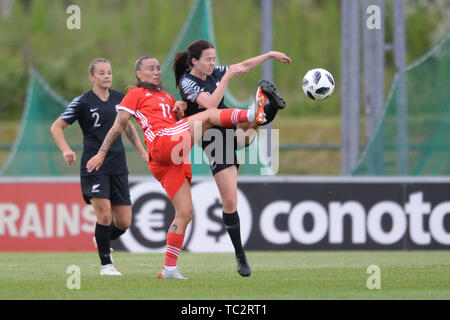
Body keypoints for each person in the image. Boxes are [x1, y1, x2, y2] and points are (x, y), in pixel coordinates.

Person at [86, 56, 266, 279]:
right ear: (139, 75)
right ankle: (250, 113)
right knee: (209, 114)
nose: (156, 72)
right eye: (150, 69)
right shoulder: (135, 94)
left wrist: (180, 107)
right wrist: (102, 152)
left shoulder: (168, 97)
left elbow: (179, 121)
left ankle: (169, 269)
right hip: (162, 144)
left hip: (174, 156)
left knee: (185, 212)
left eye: (158, 68)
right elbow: (119, 125)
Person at [173, 39, 291, 277]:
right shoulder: (188, 83)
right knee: (230, 202)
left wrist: (268, 54)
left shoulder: (214, 71)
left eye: (214, 59)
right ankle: (240, 255)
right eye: (208, 60)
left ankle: (268, 108)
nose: (213, 63)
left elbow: (243, 66)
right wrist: (226, 79)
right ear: (194, 61)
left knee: (248, 126)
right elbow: (211, 107)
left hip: (229, 126)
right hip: (214, 138)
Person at [50, 58, 148, 276]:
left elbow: (129, 128)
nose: (107, 76)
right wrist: (66, 149)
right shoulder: (82, 102)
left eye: (109, 72)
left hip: (118, 165)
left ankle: (101, 237)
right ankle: (107, 266)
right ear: (92, 77)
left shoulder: (119, 99)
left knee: (123, 222)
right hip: (94, 166)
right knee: (103, 215)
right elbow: (56, 127)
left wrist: (142, 152)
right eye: (102, 73)